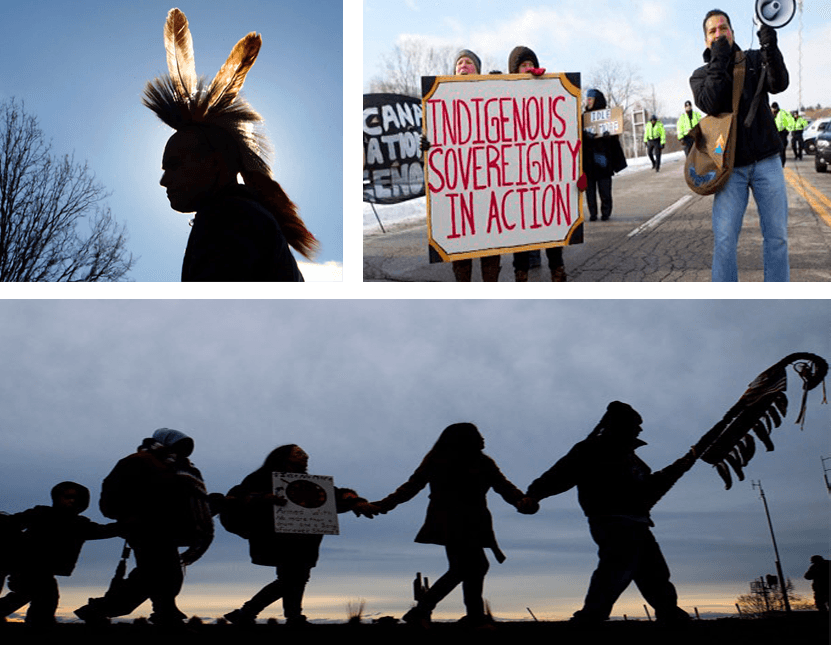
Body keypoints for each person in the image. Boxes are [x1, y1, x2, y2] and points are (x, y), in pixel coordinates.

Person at [143, 8, 316, 282]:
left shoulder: (229, 218)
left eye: (174, 165)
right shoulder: (243, 216)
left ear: (214, 163)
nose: (164, 181)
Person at [525, 402, 696, 624]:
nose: (640, 430)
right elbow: (560, 474)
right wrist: (534, 494)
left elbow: (648, 489)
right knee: (616, 568)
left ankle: (668, 612)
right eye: (636, 424)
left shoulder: (631, 459)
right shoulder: (590, 449)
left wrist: (679, 467)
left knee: (652, 571)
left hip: (637, 521)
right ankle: (592, 616)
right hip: (611, 519)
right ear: (622, 426)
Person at [368, 423, 538, 628]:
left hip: (474, 521)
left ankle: (451, 614)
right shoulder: (439, 460)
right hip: (450, 520)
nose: (483, 439)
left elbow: (504, 486)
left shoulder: (483, 462)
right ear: (464, 439)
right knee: (470, 567)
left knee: (467, 568)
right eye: (477, 435)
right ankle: (459, 615)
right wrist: (383, 505)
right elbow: (412, 486)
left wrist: (521, 500)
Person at [221, 445, 376, 627]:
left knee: (296, 576)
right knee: (293, 577)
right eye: (299, 453)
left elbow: (334, 495)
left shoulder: (310, 482)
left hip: (306, 537)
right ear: (283, 457)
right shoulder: (260, 478)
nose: (305, 456)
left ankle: (277, 615)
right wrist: (262, 498)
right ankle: (261, 613)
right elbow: (239, 497)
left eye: (304, 453)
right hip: (276, 536)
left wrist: (355, 500)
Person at [75, 428, 214, 628]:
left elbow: (182, 499)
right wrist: (128, 518)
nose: (184, 450)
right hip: (145, 528)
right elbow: (112, 493)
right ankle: (157, 612)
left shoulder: (178, 466)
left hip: (165, 529)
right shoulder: (138, 461)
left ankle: (161, 611)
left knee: (157, 574)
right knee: (159, 574)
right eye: (180, 444)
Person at [690, 9, 790, 282]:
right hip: (730, 169)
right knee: (724, 239)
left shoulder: (755, 60)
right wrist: (720, 58)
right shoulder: (699, 76)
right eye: (713, 31)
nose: (719, 34)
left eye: (724, 28)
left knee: (777, 237)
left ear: (733, 32)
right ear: (706, 40)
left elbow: (779, 83)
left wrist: (769, 43)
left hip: (767, 162)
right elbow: (711, 102)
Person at [0, 482, 119, 627]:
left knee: (35, 596)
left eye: (78, 499)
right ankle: (40, 625)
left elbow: (102, 531)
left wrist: (125, 526)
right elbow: (12, 522)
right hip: (25, 566)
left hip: (41, 570)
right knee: (44, 597)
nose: (72, 501)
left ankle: (39, 625)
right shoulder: (40, 513)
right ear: (56, 498)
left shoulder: (79, 524)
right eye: (68, 497)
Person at [508, 45, 569, 283]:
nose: (528, 69)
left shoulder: (550, 92)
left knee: (550, 223)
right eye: (522, 66)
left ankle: (558, 270)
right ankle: (520, 272)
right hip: (514, 176)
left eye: (530, 64)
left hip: (543, 173)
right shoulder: (502, 94)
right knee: (519, 229)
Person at [583, 89, 627, 222]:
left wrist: (609, 137)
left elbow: (615, 141)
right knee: (590, 191)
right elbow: (576, 137)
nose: (588, 101)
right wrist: (585, 136)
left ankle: (606, 212)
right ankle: (593, 213)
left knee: (605, 190)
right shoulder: (583, 118)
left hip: (604, 161)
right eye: (587, 99)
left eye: (591, 99)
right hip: (588, 162)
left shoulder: (608, 117)